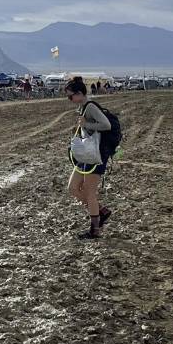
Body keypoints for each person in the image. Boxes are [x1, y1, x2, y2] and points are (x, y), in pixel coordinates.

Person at [65, 76, 114, 239]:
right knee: (72, 187)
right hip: (85, 154)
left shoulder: (91, 107)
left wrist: (86, 125)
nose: (69, 99)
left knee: (89, 192)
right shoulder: (83, 107)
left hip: (95, 155)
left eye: (70, 95)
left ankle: (95, 230)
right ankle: (101, 211)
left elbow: (106, 125)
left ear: (79, 93)